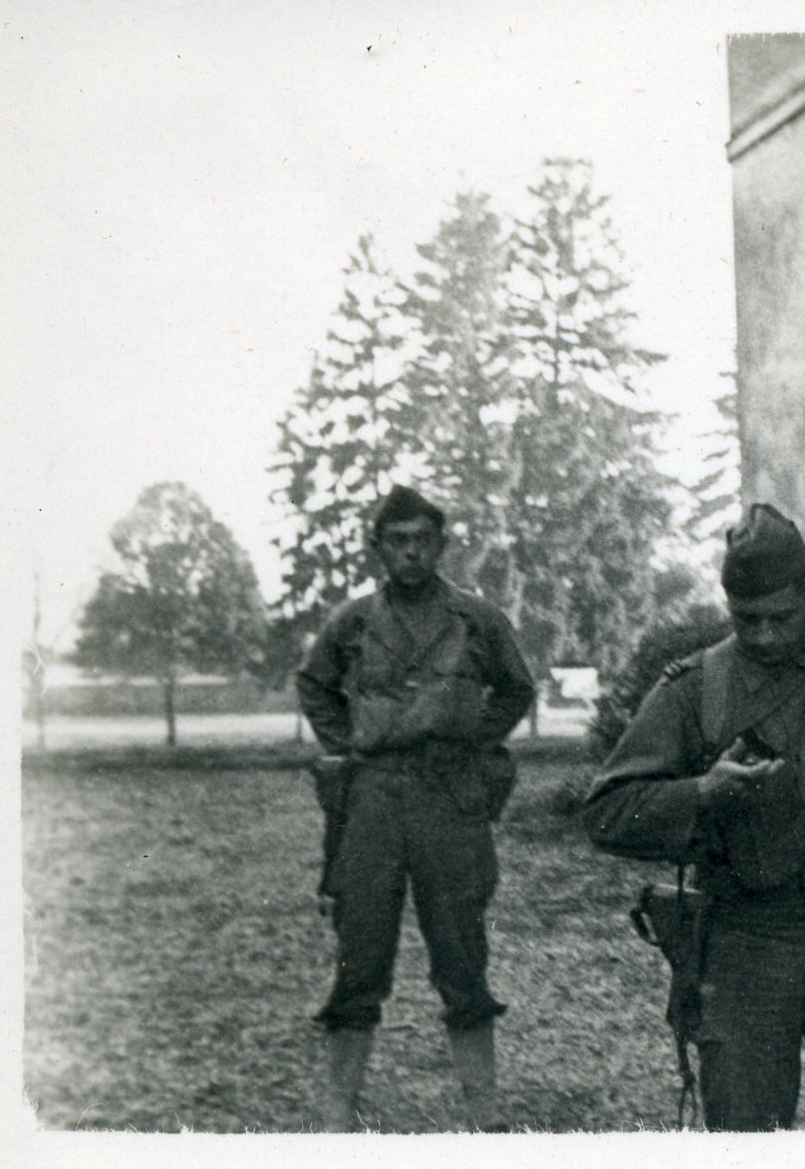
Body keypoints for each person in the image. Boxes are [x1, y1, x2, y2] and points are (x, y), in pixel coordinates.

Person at [584, 504, 805, 1130]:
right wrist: (701, 792)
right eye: (748, 621)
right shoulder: (695, 689)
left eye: (782, 617)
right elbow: (606, 812)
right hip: (746, 940)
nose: (766, 635)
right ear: (727, 606)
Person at [296, 485, 536, 1132]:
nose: (410, 552)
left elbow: (517, 687)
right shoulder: (353, 621)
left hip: (450, 798)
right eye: (397, 540)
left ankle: (483, 1118)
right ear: (379, 548)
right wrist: (347, 742)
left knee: (462, 953)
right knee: (360, 951)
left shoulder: (477, 619)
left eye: (422, 539)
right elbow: (314, 683)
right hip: (373, 798)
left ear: (440, 544)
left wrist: (476, 739)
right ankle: (338, 1118)